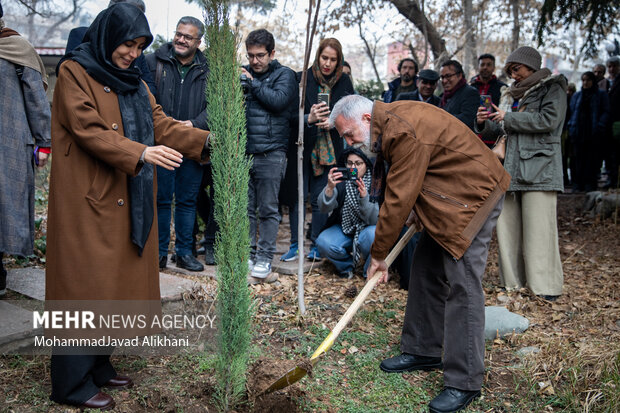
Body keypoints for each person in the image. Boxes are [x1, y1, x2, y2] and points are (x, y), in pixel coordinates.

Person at [46, 4, 210, 409]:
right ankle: (70, 384)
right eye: (127, 44)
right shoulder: (73, 73)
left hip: (125, 198)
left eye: (139, 46)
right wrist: (141, 153)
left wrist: (207, 142)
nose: (133, 53)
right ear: (107, 36)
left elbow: (162, 123)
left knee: (111, 285)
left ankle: (98, 366)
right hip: (87, 200)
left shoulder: (135, 82)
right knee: (84, 288)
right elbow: (89, 130)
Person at [330, 94, 509, 413]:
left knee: (463, 286)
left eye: (349, 134)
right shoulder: (389, 125)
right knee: (425, 269)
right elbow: (418, 176)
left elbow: (398, 198)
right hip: (448, 197)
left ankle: (465, 381)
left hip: (474, 197)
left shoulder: (400, 131)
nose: (349, 142)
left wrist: (378, 254)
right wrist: (418, 209)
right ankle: (423, 349)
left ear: (367, 121)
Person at [476, 46, 567, 301]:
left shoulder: (554, 87)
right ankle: (512, 284)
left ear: (531, 66)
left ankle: (544, 287)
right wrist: (485, 122)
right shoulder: (509, 94)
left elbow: (549, 120)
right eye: (510, 70)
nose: (513, 74)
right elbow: (503, 128)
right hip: (511, 167)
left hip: (540, 167)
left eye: (516, 68)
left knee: (540, 229)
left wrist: (509, 117)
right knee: (507, 228)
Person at [280, 38, 354, 262]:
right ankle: (295, 245)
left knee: (321, 199)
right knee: (297, 197)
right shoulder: (301, 78)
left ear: (338, 60)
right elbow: (288, 116)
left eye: (333, 59)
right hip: (302, 147)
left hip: (329, 150)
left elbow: (351, 115)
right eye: (324, 58)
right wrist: (309, 118)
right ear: (317, 56)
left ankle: (315, 244)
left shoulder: (344, 81)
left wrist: (334, 122)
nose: (328, 64)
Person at [146, 16, 210, 272]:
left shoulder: (209, 70)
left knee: (187, 201)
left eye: (188, 36)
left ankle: (184, 252)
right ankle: (159, 252)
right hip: (162, 143)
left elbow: (215, 107)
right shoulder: (154, 62)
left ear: (198, 41)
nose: (181, 39)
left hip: (192, 144)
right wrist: (167, 126)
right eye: (179, 34)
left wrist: (193, 124)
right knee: (161, 199)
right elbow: (146, 98)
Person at [0, 4, 51, 295]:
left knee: (6, 207)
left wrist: (44, 142)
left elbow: (36, 99)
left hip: (8, 145)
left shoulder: (16, 47)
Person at [241, 29, 297, 280]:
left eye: (260, 55)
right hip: (244, 152)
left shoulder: (284, 75)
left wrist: (252, 84)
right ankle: (248, 255)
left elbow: (278, 101)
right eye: (251, 56)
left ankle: (264, 257)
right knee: (245, 209)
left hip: (272, 153)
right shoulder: (244, 74)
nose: (255, 61)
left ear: (272, 53)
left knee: (268, 209)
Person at [64, 0, 156, 94]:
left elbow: (149, 87)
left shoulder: (136, 52)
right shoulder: (74, 64)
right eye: (128, 44)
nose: (134, 54)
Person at [316, 147, 378, 279]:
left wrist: (364, 198)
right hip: (345, 228)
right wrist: (329, 188)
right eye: (349, 163)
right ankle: (347, 268)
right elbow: (323, 208)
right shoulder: (342, 181)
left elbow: (374, 220)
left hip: (367, 229)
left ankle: (369, 272)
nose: (353, 167)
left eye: (358, 163)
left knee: (373, 235)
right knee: (323, 242)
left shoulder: (375, 183)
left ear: (366, 164)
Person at [567, 72, 610, 192]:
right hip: (578, 132)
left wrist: (600, 125)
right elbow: (572, 112)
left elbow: (606, 112)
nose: (585, 83)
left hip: (593, 132)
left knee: (592, 160)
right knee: (577, 160)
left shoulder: (600, 95)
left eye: (588, 80)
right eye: (583, 80)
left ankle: (589, 184)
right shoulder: (577, 96)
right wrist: (571, 127)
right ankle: (577, 184)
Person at [439, 59, 480, 131]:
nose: (444, 81)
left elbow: (468, 120)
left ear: (460, 75)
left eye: (448, 76)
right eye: (442, 77)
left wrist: (440, 119)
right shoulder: (443, 96)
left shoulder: (470, 93)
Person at [605, 56, 620, 189]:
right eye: (609, 66)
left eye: (614, 66)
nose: (612, 69)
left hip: (617, 122)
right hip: (607, 123)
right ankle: (611, 178)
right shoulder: (605, 83)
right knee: (609, 153)